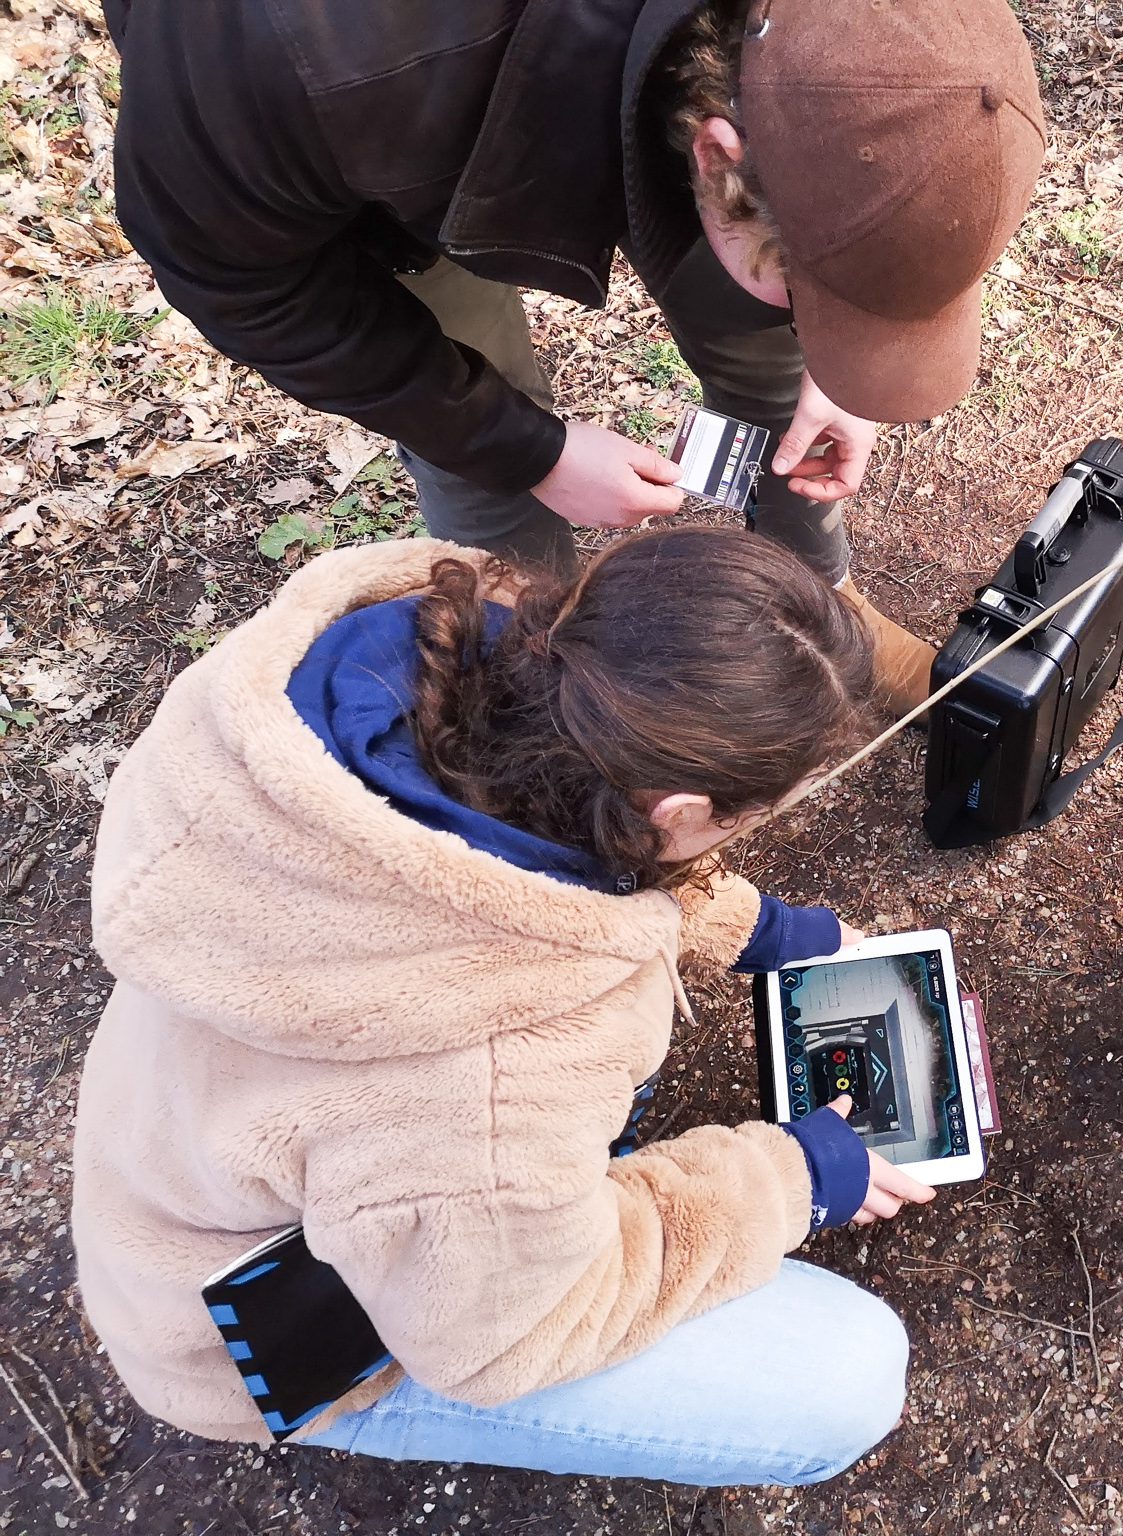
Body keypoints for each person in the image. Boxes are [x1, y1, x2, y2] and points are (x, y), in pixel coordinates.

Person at [71, 525, 937, 1483]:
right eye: (752, 812)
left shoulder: (434, 664)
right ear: (681, 814)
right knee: (844, 1377)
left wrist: (762, 928)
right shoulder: (481, 1091)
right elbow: (509, 1336)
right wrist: (789, 1180)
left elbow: (545, 833)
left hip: (186, 1171)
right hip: (252, 1336)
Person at [103, 0, 1048, 712]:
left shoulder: (862, 41)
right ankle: (530, 669)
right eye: (815, 292)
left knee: (764, 335)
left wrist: (839, 359)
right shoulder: (294, 56)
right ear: (718, 159)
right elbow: (247, 285)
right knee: (477, 401)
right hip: (378, 134)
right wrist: (533, 451)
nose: (825, 332)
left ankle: (818, 604)